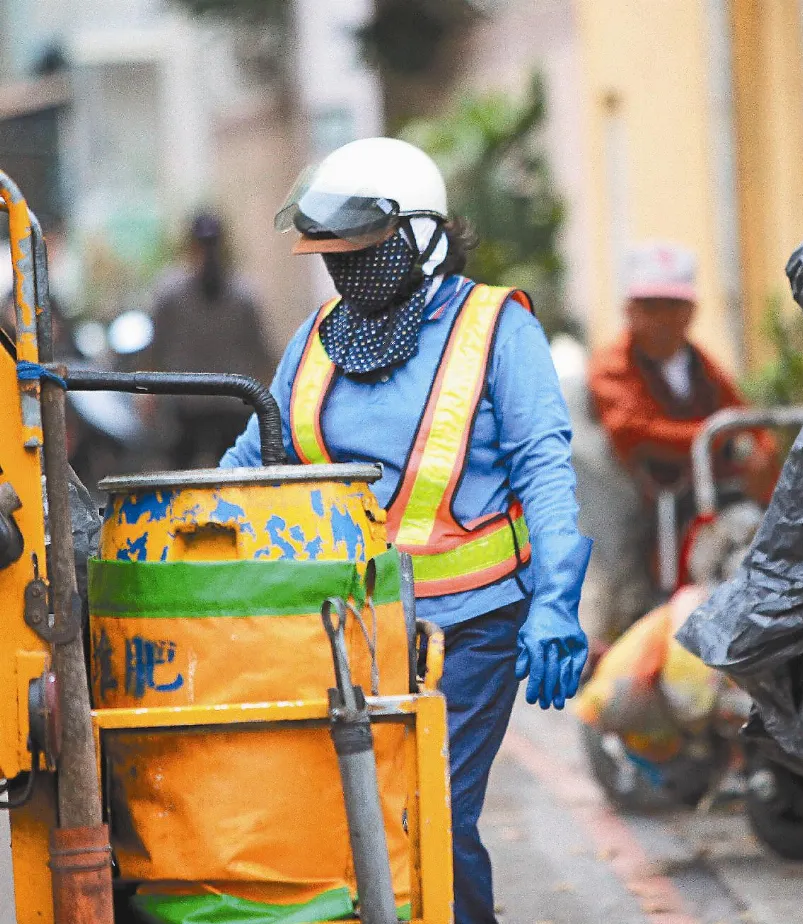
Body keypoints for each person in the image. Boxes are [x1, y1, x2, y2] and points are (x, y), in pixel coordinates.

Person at [220, 137, 590, 924]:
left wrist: (557, 600)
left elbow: (545, 471)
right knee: (350, 824)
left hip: (471, 627)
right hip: (343, 628)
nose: (346, 268)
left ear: (421, 236)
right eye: (334, 254)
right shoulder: (316, 338)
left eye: (363, 250)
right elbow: (252, 458)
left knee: (430, 815)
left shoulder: (496, 328)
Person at [588, 241, 776, 501]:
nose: (663, 318)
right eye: (651, 306)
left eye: (673, 305)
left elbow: (739, 413)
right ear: (629, 311)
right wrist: (721, 440)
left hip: (707, 496)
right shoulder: (613, 364)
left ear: (691, 312)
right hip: (641, 505)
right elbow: (632, 430)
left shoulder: (700, 363)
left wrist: (763, 449)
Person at [148, 212, 274, 468]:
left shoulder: (239, 295)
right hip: (209, 400)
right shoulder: (174, 294)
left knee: (191, 481)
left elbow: (258, 350)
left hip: (208, 400)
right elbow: (260, 351)